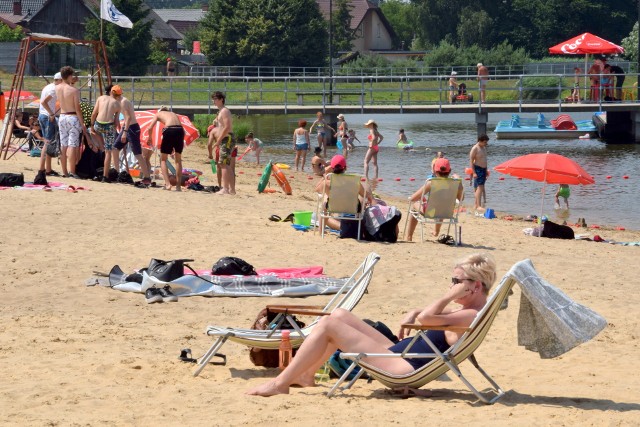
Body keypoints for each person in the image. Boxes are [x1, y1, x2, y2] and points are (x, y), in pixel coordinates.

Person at [246, 252, 497, 397]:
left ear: (475, 285)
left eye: (457, 280)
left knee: (328, 326)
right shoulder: (468, 312)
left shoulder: (471, 315)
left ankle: (280, 384)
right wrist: (415, 311)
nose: (452, 284)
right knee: (340, 314)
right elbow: (430, 316)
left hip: (403, 368)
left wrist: (447, 296)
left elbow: (428, 319)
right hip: (402, 353)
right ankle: (306, 375)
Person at [405, 158, 464, 241]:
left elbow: (413, 198)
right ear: (450, 171)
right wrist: (459, 182)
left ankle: (409, 236)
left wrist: (413, 198)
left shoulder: (431, 182)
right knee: (443, 203)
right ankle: (436, 231)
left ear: (435, 171)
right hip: (447, 212)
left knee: (415, 203)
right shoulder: (456, 184)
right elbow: (461, 199)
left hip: (430, 212)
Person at [315, 154, 372, 231]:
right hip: (352, 209)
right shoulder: (354, 182)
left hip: (333, 207)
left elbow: (317, 189)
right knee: (360, 197)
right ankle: (356, 227)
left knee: (325, 197)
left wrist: (325, 174)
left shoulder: (327, 183)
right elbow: (366, 195)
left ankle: (321, 231)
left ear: (332, 168)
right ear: (346, 168)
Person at [114, 87, 152, 185]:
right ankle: (117, 172)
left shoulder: (123, 102)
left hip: (132, 128)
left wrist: (125, 132)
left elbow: (128, 117)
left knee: (137, 154)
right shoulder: (120, 101)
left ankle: (147, 177)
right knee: (115, 148)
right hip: (126, 127)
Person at [55, 66, 88, 178]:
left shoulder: (57, 88)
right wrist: (82, 122)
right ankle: (72, 171)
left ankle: (64, 171)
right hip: (72, 116)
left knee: (63, 145)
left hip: (62, 116)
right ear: (69, 76)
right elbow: (77, 108)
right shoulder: (74, 90)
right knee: (73, 145)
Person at [144, 106, 184, 191]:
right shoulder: (173, 114)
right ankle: (178, 186)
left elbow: (150, 127)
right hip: (180, 130)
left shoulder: (158, 114)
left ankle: (168, 184)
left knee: (163, 159)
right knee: (178, 160)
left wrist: (150, 138)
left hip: (169, 130)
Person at [90, 84, 122, 183]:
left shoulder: (100, 98)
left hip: (98, 124)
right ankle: (105, 176)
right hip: (109, 126)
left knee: (93, 132)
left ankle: (100, 145)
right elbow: (116, 122)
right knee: (109, 152)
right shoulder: (117, 104)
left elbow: (94, 113)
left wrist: (91, 126)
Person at [208, 91, 235, 195]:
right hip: (226, 138)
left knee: (222, 164)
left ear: (221, 100)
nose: (213, 101)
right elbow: (223, 124)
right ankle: (232, 190)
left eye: (215, 99)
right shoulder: (221, 112)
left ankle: (226, 188)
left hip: (226, 138)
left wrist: (218, 140)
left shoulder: (224, 111)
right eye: (213, 99)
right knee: (226, 165)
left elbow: (227, 127)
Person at [37, 72, 63, 176]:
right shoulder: (54, 89)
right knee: (47, 143)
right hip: (48, 117)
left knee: (49, 142)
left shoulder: (48, 86)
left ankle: (48, 169)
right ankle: (42, 169)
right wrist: (52, 113)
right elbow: (44, 102)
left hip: (43, 115)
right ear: (60, 80)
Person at [469, 134, 489, 211]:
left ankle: (475, 205)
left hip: (483, 169)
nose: (486, 144)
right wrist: (474, 172)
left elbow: (485, 159)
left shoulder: (483, 147)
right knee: (480, 187)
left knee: (479, 187)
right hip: (478, 169)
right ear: (479, 141)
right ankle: (478, 206)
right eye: (484, 142)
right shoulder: (475, 148)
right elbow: (471, 161)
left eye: (486, 142)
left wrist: (486, 170)